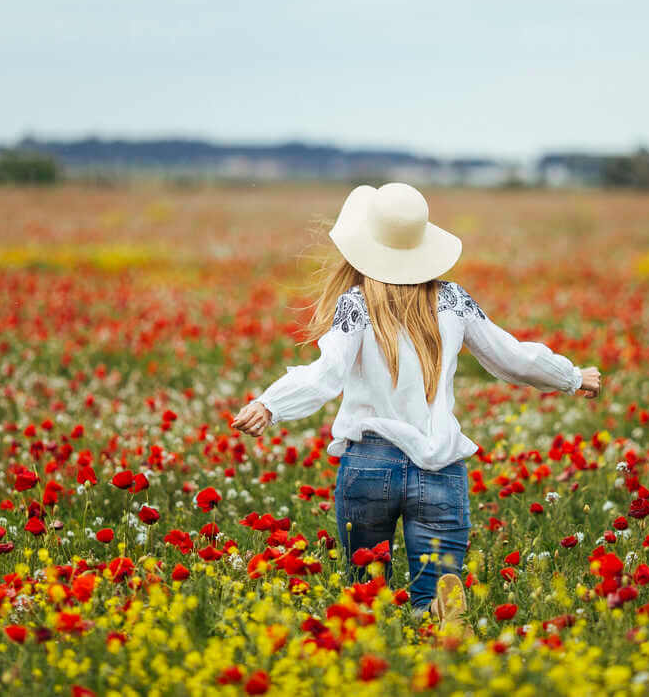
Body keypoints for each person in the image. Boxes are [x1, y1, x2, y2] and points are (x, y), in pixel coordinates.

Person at [230, 182, 601, 635]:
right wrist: (571, 376)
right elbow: (511, 356)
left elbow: (325, 373)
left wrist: (270, 404)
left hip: (368, 465)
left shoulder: (356, 304)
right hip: (439, 466)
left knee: (367, 599)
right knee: (434, 599)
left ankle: (376, 665)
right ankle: (441, 625)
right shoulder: (453, 301)